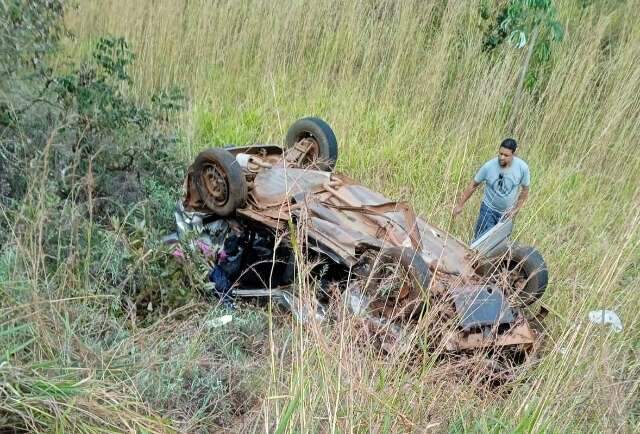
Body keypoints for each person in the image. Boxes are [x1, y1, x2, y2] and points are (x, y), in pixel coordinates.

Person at [453, 138, 530, 240]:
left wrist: (515, 210)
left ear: (514, 154)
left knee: (497, 246)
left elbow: (525, 190)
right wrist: (460, 205)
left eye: (506, 155)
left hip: (506, 215)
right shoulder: (488, 167)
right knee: (480, 241)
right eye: (500, 153)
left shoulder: (522, 168)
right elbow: (473, 185)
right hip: (488, 210)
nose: (502, 157)